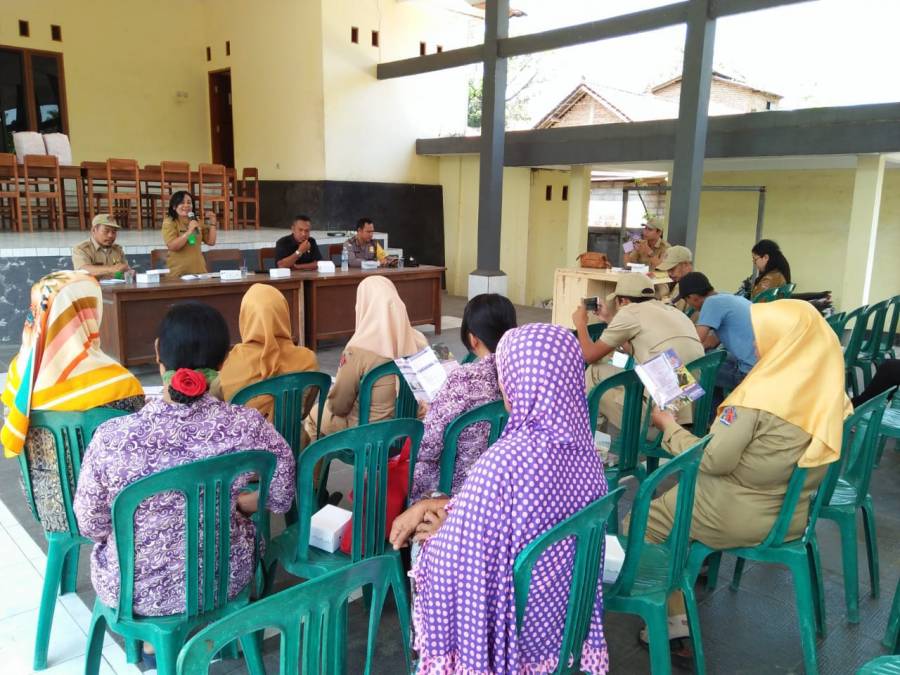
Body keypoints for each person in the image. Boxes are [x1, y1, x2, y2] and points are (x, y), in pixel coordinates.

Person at [395, 323, 610, 674]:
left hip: (517, 629)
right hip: (563, 616)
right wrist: (450, 510)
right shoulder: (586, 452)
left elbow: (462, 560)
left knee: (423, 547)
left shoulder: (506, 462)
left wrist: (439, 535)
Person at [643, 299, 849, 648]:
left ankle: (671, 617)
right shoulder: (829, 393)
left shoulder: (756, 398)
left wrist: (669, 427)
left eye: (763, 336)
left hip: (737, 513)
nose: (754, 344)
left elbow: (713, 461)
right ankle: (691, 561)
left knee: (644, 520)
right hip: (791, 513)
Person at [74, 302, 295, 624]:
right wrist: (243, 504)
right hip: (225, 578)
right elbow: (283, 493)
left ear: (157, 351)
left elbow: (91, 525)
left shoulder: (112, 437)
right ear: (225, 359)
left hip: (135, 590)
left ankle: (155, 642)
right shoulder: (246, 425)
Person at [1, 272, 144, 534]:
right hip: (108, 513)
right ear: (87, 314)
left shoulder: (19, 376)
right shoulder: (119, 384)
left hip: (47, 509)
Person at [402, 293, 517, 505]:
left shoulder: (463, 379)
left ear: (473, 338)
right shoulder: (523, 375)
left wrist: (433, 412)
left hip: (452, 489)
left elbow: (428, 445)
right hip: (501, 482)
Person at [303, 276, 427, 439]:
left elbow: (339, 406)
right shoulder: (419, 340)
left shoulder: (358, 350)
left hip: (366, 432)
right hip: (408, 428)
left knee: (314, 415)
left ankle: (313, 456)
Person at [573, 273, 704, 426]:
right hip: (692, 405)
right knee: (596, 372)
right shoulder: (673, 311)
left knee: (593, 386)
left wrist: (581, 324)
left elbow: (589, 356)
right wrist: (609, 318)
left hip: (663, 418)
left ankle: (582, 430)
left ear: (622, 300)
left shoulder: (629, 312)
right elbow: (638, 348)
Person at [219, 284, 318, 420]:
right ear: (283, 314)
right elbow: (303, 413)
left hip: (242, 434)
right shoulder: (308, 360)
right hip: (290, 433)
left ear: (245, 316)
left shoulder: (227, 363)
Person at [674, 272, 757, 397]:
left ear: (693, 297)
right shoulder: (726, 297)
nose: (689, 305)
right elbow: (712, 341)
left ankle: (686, 406)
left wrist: (675, 353)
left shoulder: (711, 304)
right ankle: (712, 407)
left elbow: (695, 342)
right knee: (708, 357)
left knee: (683, 371)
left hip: (748, 374)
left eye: (687, 300)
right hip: (761, 365)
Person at [161, 191, 217, 278]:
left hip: (199, 271)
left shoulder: (196, 221)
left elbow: (211, 242)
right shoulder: (169, 222)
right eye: (182, 203)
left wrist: (213, 223)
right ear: (174, 206)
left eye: (189, 203)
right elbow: (172, 246)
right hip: (178, 273)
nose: (186, 205)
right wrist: (189, 231)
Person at [71, 214, 131, 279]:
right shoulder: (82, 249)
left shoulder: (117, 249)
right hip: (92, 285)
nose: (110, 235)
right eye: (106, 231)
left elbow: (125, 271)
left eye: (114, 232)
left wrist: (129, 273)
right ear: (94, 230)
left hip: (116, 285)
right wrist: (112, 269)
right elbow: (83, 271)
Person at [657, 245, 694, 316]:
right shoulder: (679, 283)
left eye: (672, 269)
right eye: (667, 270)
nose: (669, 274)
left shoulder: (689, 287)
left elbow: (673, 314)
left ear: (686, 264)